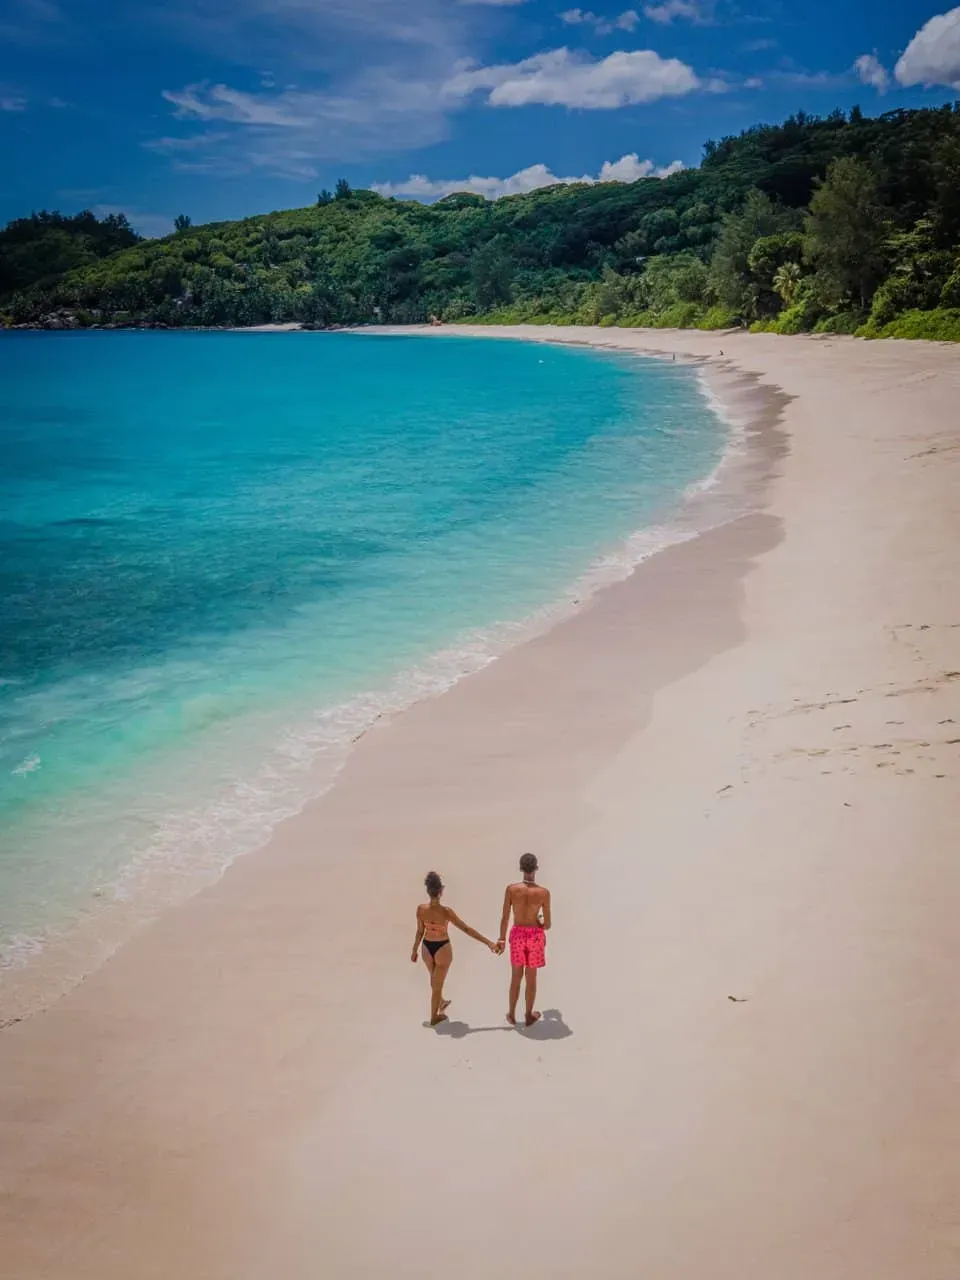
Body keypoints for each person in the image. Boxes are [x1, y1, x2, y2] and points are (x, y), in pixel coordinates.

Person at [411, 871, 498, 1025]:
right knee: (437, 985)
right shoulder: (446, 912)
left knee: (434, 979)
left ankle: (441, 1001)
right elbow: (466, 929)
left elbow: (419, 931)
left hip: (426, 947)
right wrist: (488, 943)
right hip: (442, 948)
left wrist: (414, 950)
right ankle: (434, 1017)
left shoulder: (421, 909)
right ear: (441, 891)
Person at [498, 853, 551, 1027]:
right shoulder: (543, 893)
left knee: (516, 977)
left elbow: (505, 917)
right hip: (534, 935)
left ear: (521, 868)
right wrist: (539, 922)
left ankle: (512, 1014)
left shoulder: (512, 889)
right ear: (536, 868)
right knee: (531, 978)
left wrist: (502, 939)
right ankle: (528, 1015)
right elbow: (547, 924)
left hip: (518, 934)